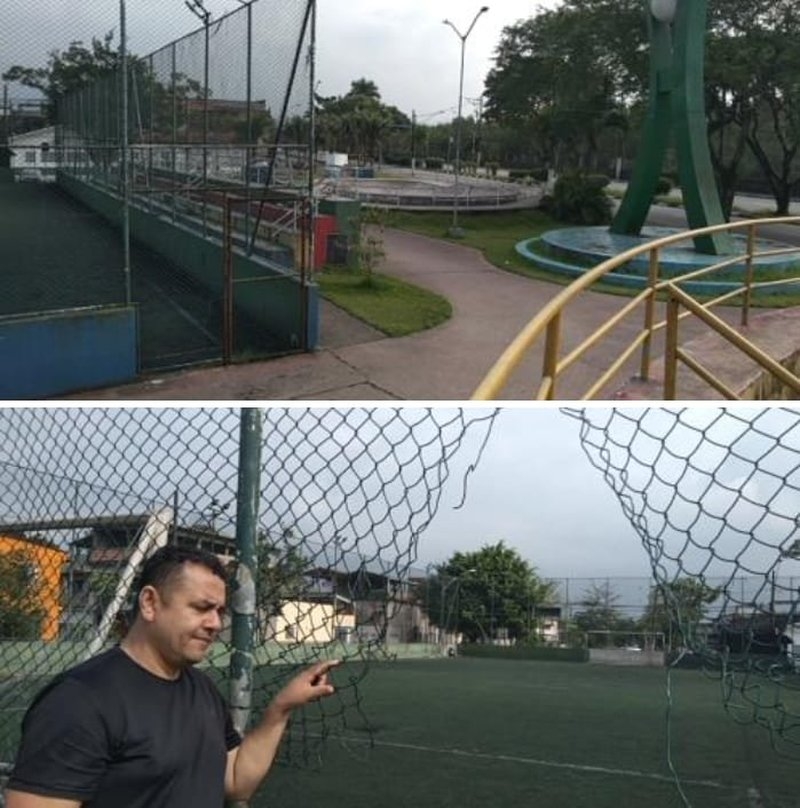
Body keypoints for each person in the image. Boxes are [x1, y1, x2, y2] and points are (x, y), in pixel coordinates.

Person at [5, 545, 340, 808]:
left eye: (220, 611)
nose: (215, 623)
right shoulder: (79, 701)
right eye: (201, 607)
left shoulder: (202, 690)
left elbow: (235, 780)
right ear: (150, 603)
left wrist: (279, 710)